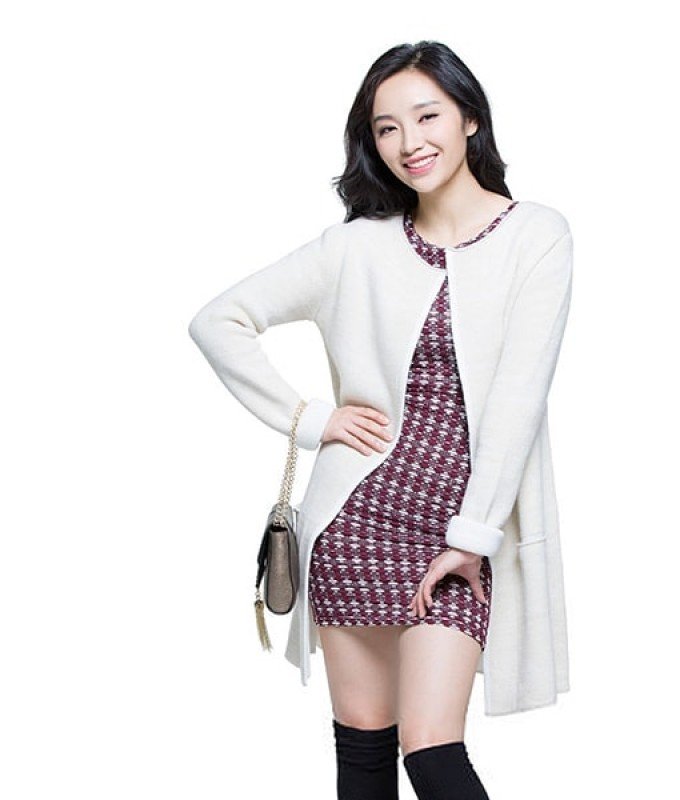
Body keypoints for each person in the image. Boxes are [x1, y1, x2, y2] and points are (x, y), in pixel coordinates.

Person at [189, 40, 574, 800]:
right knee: (364, 749)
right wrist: (309, 419)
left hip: (459, 531)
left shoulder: (536, 235)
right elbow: (218, 320)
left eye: (427, 117)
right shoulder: (355, 247)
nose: (409, 142)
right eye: (386, 127)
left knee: (432, 752)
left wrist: (472, 536)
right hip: (355, 523)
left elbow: (516, 401)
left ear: (469, 118)